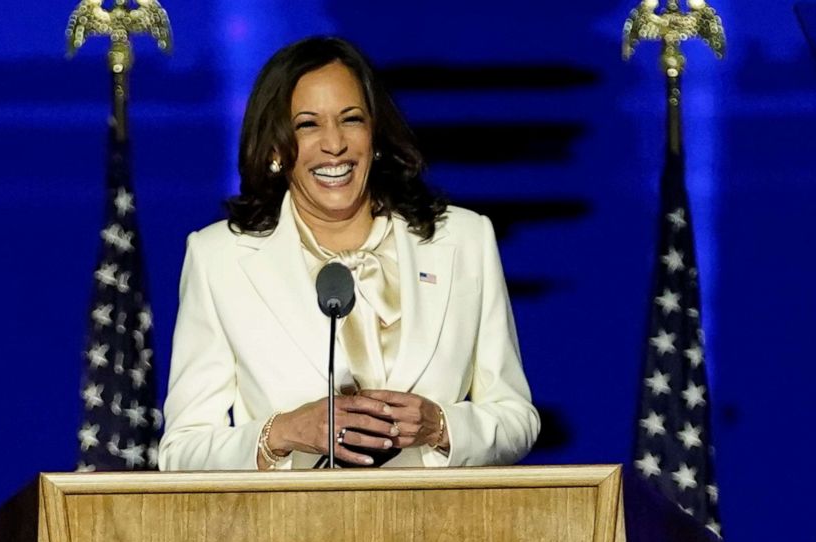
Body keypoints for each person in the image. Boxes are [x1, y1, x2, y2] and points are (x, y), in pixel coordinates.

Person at [158, 37, 540, 471]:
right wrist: (283, 433)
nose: (334, 144)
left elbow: (517, 420)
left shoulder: (466, 239)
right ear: (276, 149)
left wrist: (441, 426)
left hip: (441, 529)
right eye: (308, 125)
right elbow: (181, 452)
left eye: (351, 119)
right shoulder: (219, 259)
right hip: (289, 532)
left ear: (374, 135)